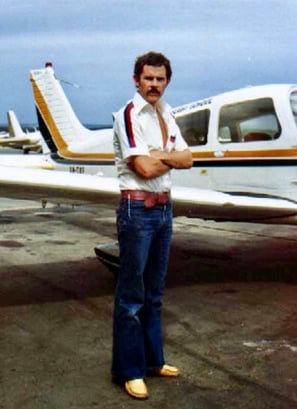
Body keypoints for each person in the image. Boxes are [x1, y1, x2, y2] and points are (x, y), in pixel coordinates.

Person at [112, 51, 193, 399]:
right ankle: (129, 371)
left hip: (163, 210)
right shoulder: (128, 114)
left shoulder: (167, 114)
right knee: (131, 296)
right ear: (136, 80)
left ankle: (153, 361)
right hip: (137, 211)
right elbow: (142, 170)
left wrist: (155, 154)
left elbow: (188, 159)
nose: (154, 85)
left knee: (155, 293)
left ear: (167, 82)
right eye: (148, 78)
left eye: (160, 79)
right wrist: (166, 158)